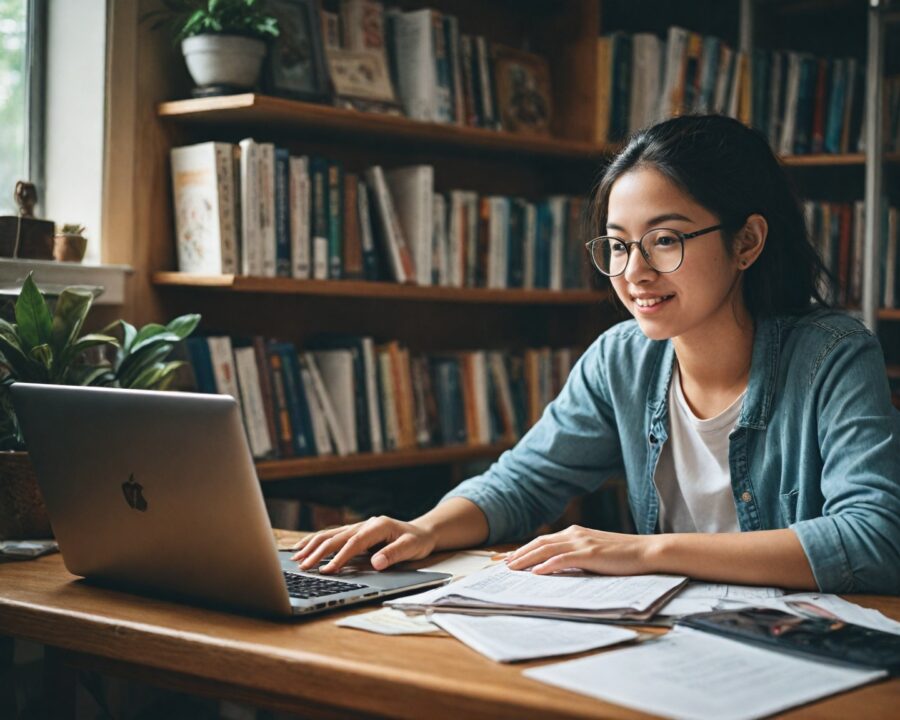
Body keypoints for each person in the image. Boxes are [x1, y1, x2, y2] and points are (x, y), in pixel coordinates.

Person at [291, 115, 900, 594]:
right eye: (616, 245)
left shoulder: (834, 358)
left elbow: (874, 540)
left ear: (747, 241)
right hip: (670, 638)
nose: (634, 273)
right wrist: (421, 528)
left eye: (665, 240)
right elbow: (525, 483)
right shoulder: (622, 359)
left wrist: (641, 551)